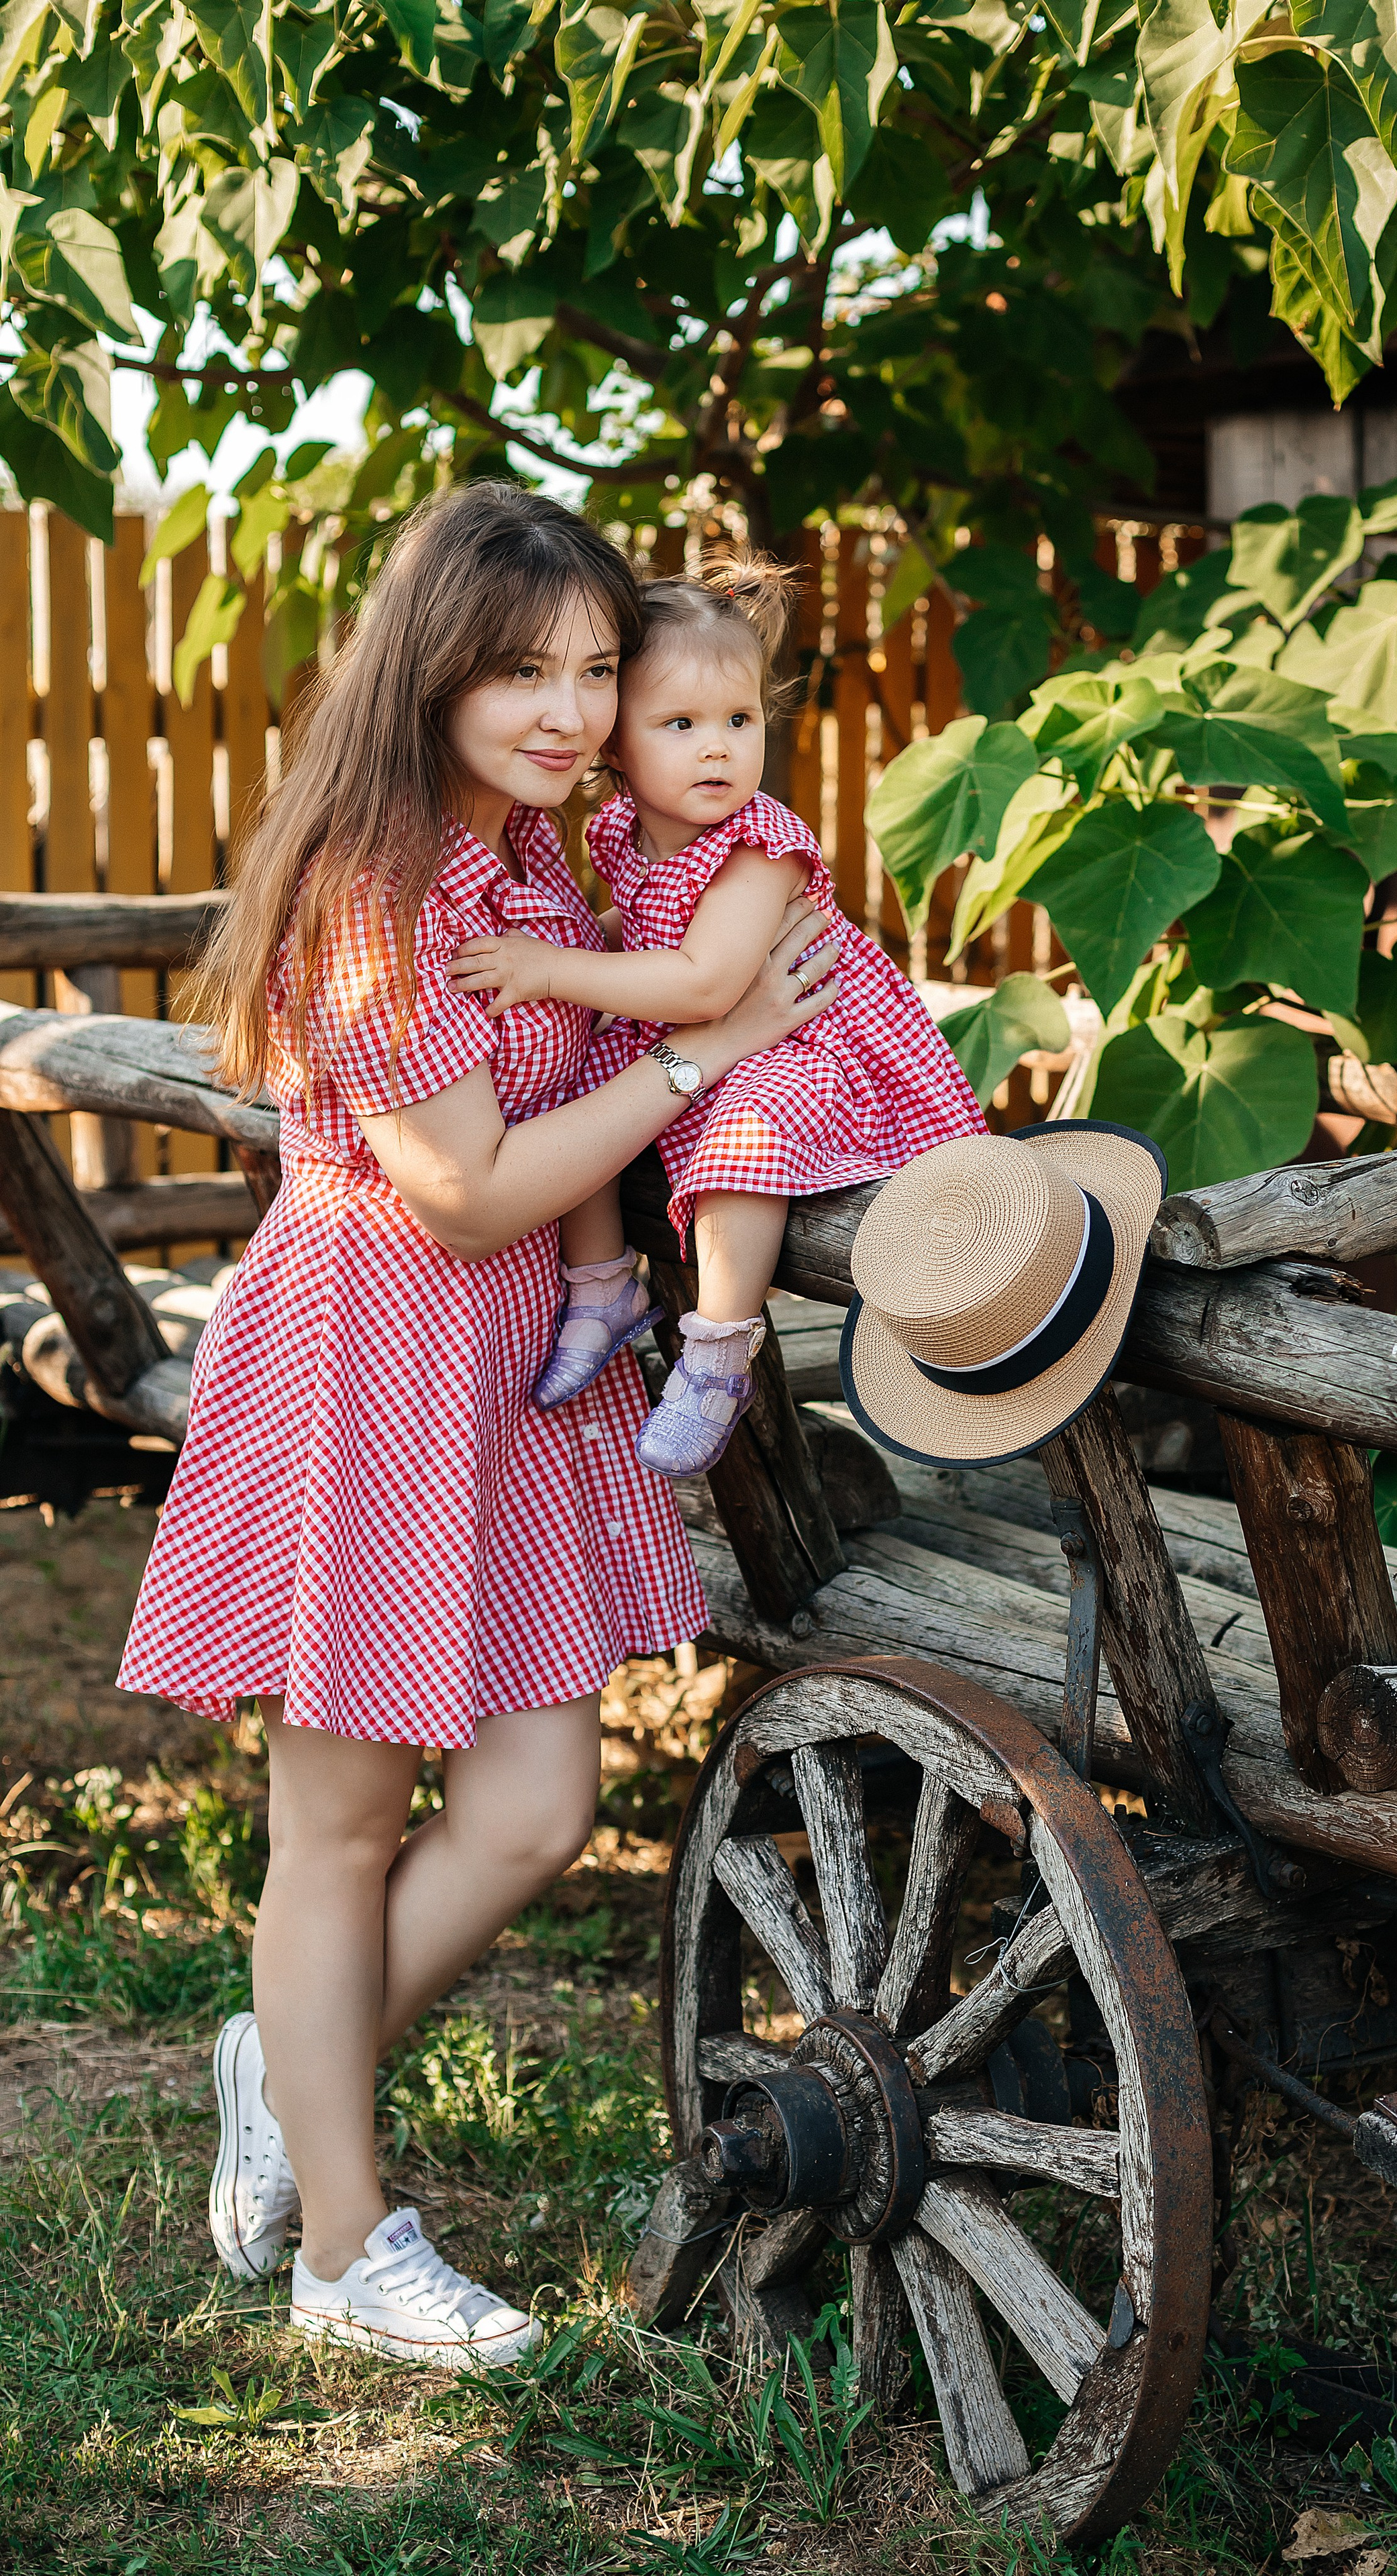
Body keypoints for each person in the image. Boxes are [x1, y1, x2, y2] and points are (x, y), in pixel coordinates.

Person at [115, 483, 837, 2369]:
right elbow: (469, 1190)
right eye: (525, 670)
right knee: (342, 1825)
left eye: (599, 670)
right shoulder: (373, 892)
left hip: (517, 1374)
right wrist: (708, 1048)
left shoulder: (534, 873)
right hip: (372, 1360)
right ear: (430, 669)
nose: (574, 710)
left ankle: (287, 2055)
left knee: (530, 1811)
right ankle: (349, 2251)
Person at [446, 555, 988, 1476]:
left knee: (748, 1137)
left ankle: (718, 1352)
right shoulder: (621, 829)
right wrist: (592, 945)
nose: (718, 749)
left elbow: (705, 983)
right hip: (717, 1033)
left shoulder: (758, 844)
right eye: (681, 724)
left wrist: (551, 967)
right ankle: (601, 1287)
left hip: (802, 1041)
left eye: (739, 722)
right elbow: (650, 928)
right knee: (580, 1089)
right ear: (617, 745)